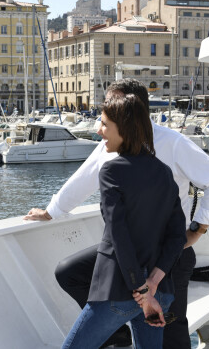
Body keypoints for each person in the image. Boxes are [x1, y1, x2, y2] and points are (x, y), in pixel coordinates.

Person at [25, 78, 209, 349]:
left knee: (172, 336)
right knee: (69, 273)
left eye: (111, 112)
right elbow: (84, 178)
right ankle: (116, 333)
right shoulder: (114, 146)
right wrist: (52, 211)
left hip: (169, 255)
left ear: (129, 112)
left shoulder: (172, 143)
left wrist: (197, 230)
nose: (101, 127)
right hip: (133, 256)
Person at [60, 93, 187, 348]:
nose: (99, 130)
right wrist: (152, 285)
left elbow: (119, 234)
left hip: (118, 293)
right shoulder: (164, 173)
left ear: (125, 128)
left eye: (105, 124)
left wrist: (140, 291)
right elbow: (177, 236)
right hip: (159, 292)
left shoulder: (111, 170)